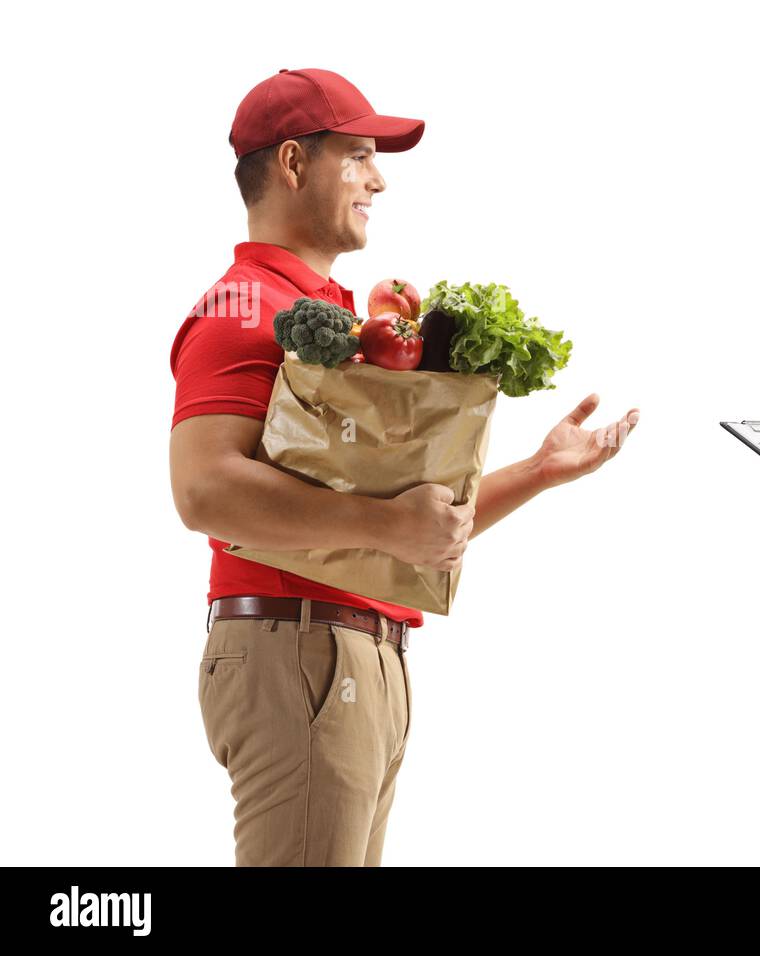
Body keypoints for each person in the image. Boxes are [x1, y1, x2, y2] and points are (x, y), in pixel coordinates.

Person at [169, 68, 639, 866]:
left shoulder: (337, 317)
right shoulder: (241, 307)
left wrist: (538, 471)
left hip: (351, 653)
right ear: (291, 164)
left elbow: (409, 531)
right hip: (301, 650)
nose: (377, 178)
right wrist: (387, 524)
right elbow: (204, 489)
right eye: (357, 156)